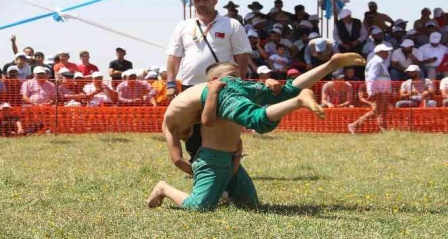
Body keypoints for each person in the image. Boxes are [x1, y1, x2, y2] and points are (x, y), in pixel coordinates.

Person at [146, 53, 365, 211]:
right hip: (214, 161)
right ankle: (164, 188)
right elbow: (201, 129)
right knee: (200, 207)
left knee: (266, 109)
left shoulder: (214, 96)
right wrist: (202, 172)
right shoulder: (199, 107)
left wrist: (235, 161)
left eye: (238, 76)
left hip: (228, 158)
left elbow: (221, 135)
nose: (238, 80)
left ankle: (320, 75)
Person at [165, 0, 251, 159]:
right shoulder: (183, 26)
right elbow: (173, 56)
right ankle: (196, 162)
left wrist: (240, 81)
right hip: (190, 86)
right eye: (197, 0)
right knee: (192, 127)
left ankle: (227, 161)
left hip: (223, 86)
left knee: (223, 125)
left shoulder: (231, 24)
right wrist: (170, 83)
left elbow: (242, 55)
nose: (201, 2)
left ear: (215, 1)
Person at [348, 44, 392, 134]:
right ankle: (355, 125)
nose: (388, 53)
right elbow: (372, 77)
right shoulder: (376, 62)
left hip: (382, 91)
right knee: (377, 111)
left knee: (382, 111)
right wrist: (372, 92)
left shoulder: (380, 62)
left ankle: (384, 130)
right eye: (386, 52)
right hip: (379, 91)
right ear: (380, 52)